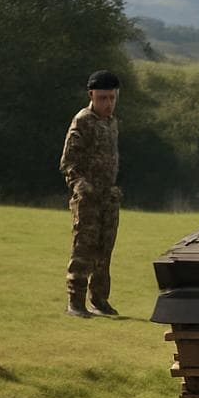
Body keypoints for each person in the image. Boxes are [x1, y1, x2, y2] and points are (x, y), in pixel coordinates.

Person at [60, 71, 123, 318]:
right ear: (91, 96)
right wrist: (80, 185)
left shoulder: (112, 123)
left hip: (108, 197)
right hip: (88, 198)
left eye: (111, 98)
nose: (107, 103)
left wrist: (114, 188)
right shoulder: (82, 121)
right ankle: (75, 301)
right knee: (84, 248)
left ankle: (99, 299)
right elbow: (67, 162)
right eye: (102, 98)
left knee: (105, 250)